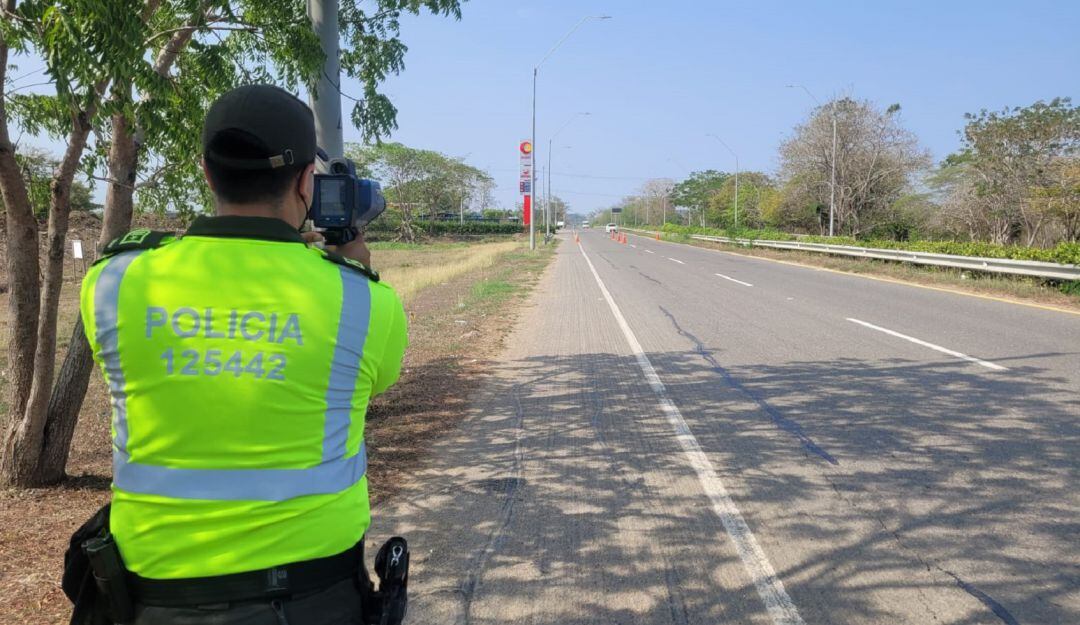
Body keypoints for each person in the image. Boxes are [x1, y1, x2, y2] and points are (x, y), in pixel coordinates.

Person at [76, 84, 408, 624]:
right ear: (306, 181)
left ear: (207, 173)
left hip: (151, 597)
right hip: (315, 595)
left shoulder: (113, 281)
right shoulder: (365, 301)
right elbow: (376, 379)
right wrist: (352, 264)